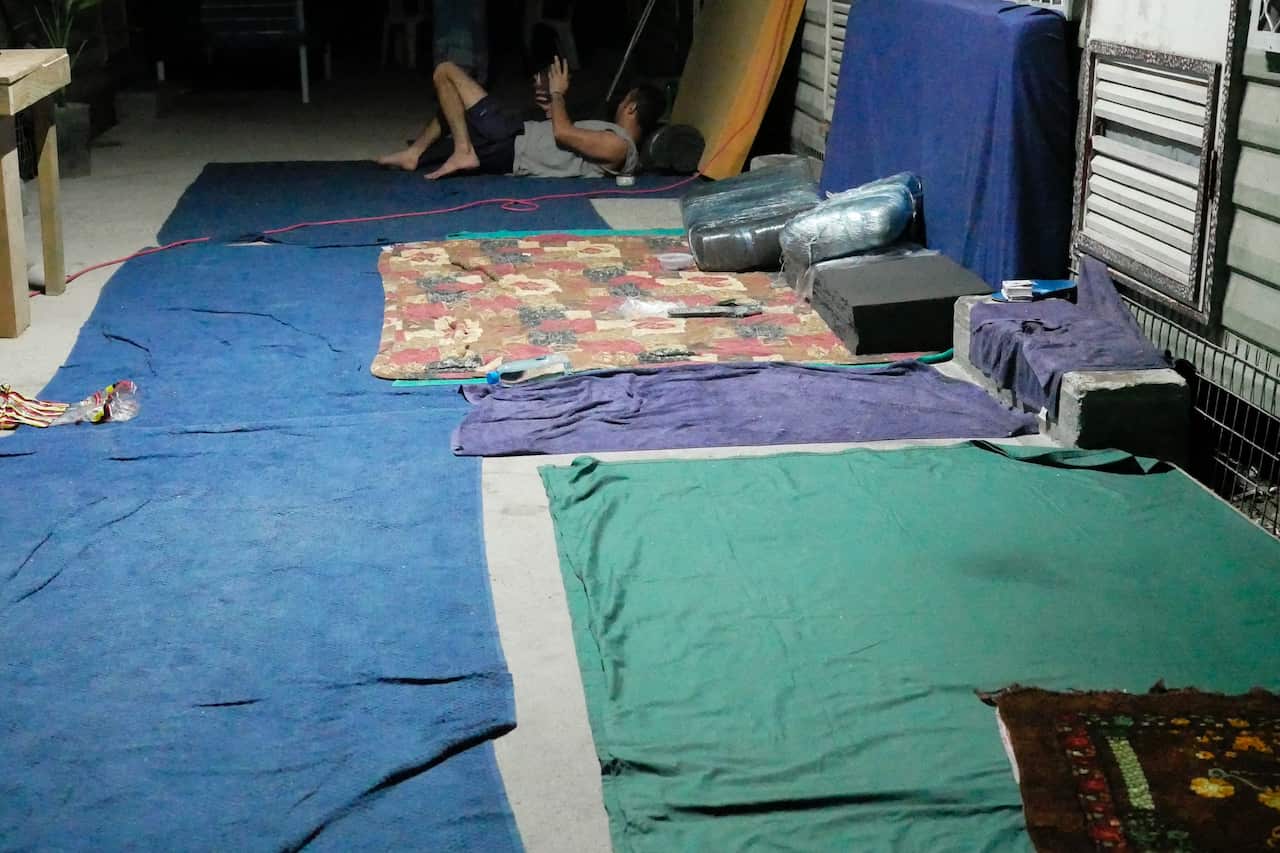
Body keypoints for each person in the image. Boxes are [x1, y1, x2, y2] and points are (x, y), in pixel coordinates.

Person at [376, 57, 665, 180]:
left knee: (446, 71)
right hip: (512, 136)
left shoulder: (618, 146)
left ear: (632, 109)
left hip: (509, 144)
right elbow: (565, 139)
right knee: (453, 101)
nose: (620, 103)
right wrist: (551, 105)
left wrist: (558, 94)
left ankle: (463, 150)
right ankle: (415, 153)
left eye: (625, 99)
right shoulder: (611, 137)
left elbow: (563, 134)